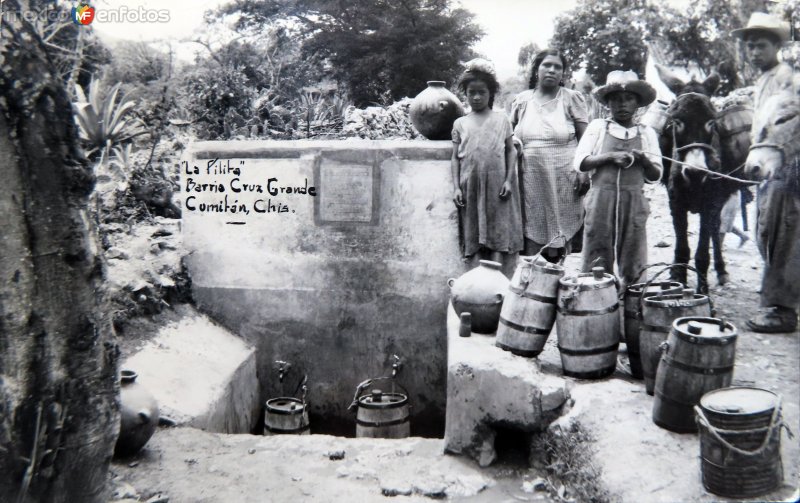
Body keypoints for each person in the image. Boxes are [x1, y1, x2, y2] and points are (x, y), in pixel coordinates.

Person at [732, 12, 800, 332]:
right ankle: (778, 298)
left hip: (787, 168)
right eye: (750, 47)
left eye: (761, 46)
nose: (754, 53)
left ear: (777, 46)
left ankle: (782, 309)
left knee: (782, 233)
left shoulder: (788, 78)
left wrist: (773, 159)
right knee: (766, 232)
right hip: (768, 168)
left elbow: (788, 125)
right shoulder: (762, 80)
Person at [573, 71, 663, 289]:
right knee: (596, 253)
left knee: (634, 255)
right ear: (608, 104)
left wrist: (645, 162)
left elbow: (656, 175)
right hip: (601, 199)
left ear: (638, 103)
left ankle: (632, 306)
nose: (622, 104)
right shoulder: (598, 128)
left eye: (629, 99)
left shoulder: (647, 133)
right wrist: (609, 157)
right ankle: (596, 304)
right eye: (616, 99)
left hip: (634, 201)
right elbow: (580, 162)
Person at [510, 49, 589, 261]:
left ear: (563, 73)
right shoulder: (522, 100)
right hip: (530, 176)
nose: (552, 70)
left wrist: (583, 172)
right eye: (547, 65)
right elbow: (509, 134)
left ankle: (555, 276)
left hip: (564, 175)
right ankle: (533, 282)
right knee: (532, 226)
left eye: (557, 67)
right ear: (537, 69)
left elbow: (586, 140)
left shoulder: (572, 98)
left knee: (560, 230)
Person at [451, 59, 523, 275]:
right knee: (473, 232)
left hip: (498, 186)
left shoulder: (502, 120)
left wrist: (509, 180)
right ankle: (476, 287)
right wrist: (456, 187)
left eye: (481, 92)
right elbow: (455, 157)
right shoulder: (460, 123)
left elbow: (511, 150)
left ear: (491, 93)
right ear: (465, 93)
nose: (476, 97)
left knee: (498, 231)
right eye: (471, 92)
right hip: (470, 186)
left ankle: (497, 285)